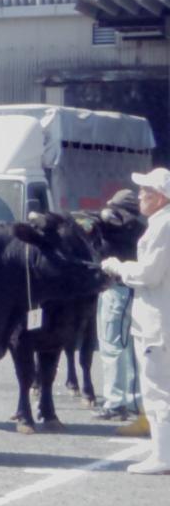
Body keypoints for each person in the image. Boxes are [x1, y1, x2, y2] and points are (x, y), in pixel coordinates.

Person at [101, 168, 170, 473]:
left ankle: (163, 455)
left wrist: (118, 267)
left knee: (157, 390)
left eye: (147, 192)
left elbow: (149, 274)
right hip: (157, 317)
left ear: (161, 197)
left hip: (158, 320)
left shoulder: (163, 226)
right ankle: (161, 451)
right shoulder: (159, 224)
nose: (140, 196)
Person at [93, 190, 143, 423]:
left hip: (117, 289)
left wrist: (103, 214)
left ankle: (115, 402)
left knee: (112, 346)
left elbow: (102, 216)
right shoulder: (141, 226)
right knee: (131, 348)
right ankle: (134, 401)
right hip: (132, 291)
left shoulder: (123, 223)